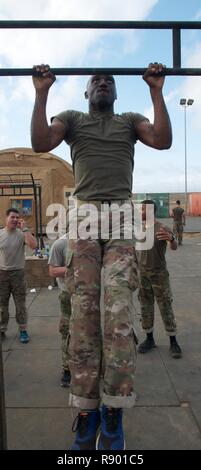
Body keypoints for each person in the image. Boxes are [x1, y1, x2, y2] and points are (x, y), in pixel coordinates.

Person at [31, 62, 172, 450]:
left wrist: (156, 91)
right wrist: (41, 92)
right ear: (86, 92)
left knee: (118, 316)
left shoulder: (129, 120)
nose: (103, 83)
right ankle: (86, 408)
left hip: (122, 215)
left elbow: (162, 140)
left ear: (116, 92)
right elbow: (42, 142)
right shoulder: (73, 119)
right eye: (96, 80)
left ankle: (114, 408)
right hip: (86, 215)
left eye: (109, 80)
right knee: (83, 313)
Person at [137, 200, 182, 358]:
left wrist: (171, 239)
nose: (139, 211)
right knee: (145, 307)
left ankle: (173, 341)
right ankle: (149, 340)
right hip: (142, 275)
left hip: (159, 274)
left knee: (165, 307)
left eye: (142, 209)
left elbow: (174, 246)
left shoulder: (162, 228)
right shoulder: (138, 229)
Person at [0, 208, 37, 343]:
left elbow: (34, 246)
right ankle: (2, 329)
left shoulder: (22, 234)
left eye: (17, 218)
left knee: (20, 304)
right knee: (2, 305)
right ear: (6, 218)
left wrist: (25, 229)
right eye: (12, 217)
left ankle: (23, 330)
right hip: (2, 274)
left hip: (18, 274)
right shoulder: (1, 234)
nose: (15, 220)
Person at [48, 236, 71, 388]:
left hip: (88, 295)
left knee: (92, 332)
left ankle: (94, 368)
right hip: (67, 295)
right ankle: (67, 369)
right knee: (66, 331)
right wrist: (74, 268)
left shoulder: (92, 241)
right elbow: (53, 271)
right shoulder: (61, 243)